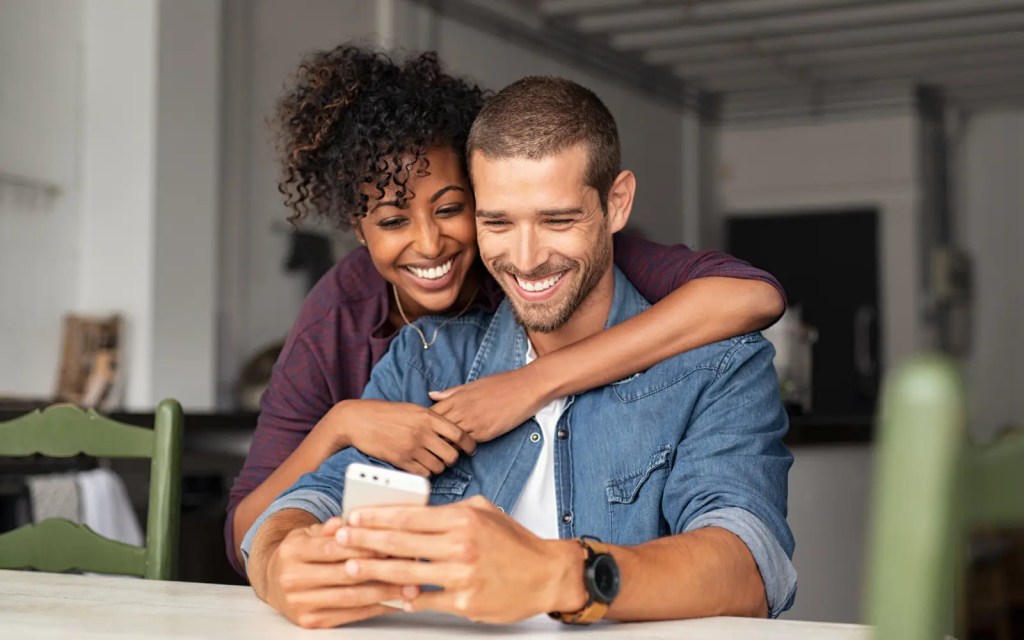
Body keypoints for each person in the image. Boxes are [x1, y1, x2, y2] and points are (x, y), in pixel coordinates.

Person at [241, 75, 796, 630]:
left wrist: (559, 575)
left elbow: (747, 568)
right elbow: (304, 503)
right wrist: (278, 563)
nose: (527, 259)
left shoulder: (719, 365)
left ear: (616, 203)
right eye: (497, 222)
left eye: (557, 220)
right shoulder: (425, 357)